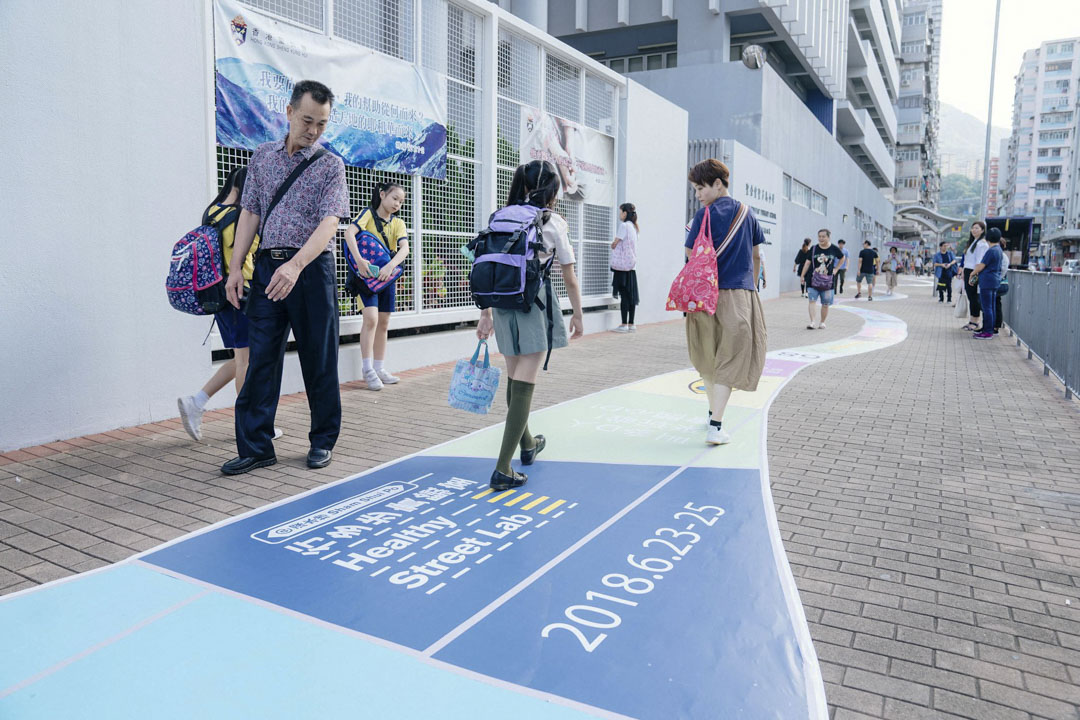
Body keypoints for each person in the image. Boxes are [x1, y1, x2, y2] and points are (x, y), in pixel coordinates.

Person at [221, 80, 350, 475]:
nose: (313, 130)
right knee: (260, 358)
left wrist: (296, 266)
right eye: (308, 120)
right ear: (290, 112)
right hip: (265, 269)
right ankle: (256, 446)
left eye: (322, 124)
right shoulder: (261, 157)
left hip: (310, 270)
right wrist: (234, 268)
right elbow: (250, 213)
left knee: (319, 359)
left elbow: (331, 221)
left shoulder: (330, 165)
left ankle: (322, 440)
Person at [477, 160, 584, 490]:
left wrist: (485, 313)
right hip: (535, 303)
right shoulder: (552, 222)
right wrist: (578, 314)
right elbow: (568, 273)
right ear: (551, 189)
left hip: (502, 305)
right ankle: (502, 468)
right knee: (524, 382)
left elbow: (486, 263)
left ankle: (527, 445)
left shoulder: (500, 217)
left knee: (515, 379)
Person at [177, 168, 281, 443]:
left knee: (241, 358)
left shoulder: (213, 211)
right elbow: (243, 261)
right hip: (240, 295)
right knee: (247, 361)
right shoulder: (238, 216)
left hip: (220, 296)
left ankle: (196, 402)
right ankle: (249, 425)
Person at [684, 158, 767, 446]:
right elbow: (756, 254)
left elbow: (688, 251)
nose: (698, 195)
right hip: (740, 295)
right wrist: (753, 284)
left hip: (705, 295)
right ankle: (716, 425)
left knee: (708, 355)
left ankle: (711, 416)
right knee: (730, 358)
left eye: (700, 188)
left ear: (718, 184)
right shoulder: (748, 213)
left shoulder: (702, 215)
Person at [344, 181, 409, 390]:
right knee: (370, 319)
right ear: (382, 195)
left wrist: (390, 266)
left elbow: (404, 249)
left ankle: (379, 368)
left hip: (386, 278)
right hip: (365, 279)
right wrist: (359, 262)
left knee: (383, 322)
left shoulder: (398, 223)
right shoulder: (368, 215)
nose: (397, 204)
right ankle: (367, 369)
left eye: (401, 201)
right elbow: (348, 233)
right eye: (394, 198)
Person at [801, 229, 843, 329]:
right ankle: (812, 322)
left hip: (828, 282)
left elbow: (842, 258)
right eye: (819, 236)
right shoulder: (814, 248)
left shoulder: (834, 248)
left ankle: (822, 322)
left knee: (825, 303)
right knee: (812, 301)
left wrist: (836, 269)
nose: (821, 238)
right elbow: (807, 263)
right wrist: (802, 276)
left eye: (823, 236)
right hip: (813, 280)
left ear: (828, 237)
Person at [610, 202, 640, 333]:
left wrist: (613, 244)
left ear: (625, 213)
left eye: (621, 211)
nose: (619, 215)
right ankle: (631, 324)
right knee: (631, 296)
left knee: (624, 296)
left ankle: (623, 324)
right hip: (631, 267)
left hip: (621, 268)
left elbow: (615, 243)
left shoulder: (623, 226)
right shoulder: (634, 227)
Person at [970, 227, 1004, 339]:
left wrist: (972, 273)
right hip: (994, 281)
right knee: (991, 307)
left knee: (987, 307)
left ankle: (987, 331)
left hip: (987, 282)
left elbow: (982, 265)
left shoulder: (991, 251)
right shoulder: (998, 249)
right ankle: (988, 329)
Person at [960, 221, 989, 331]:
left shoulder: (982, 244)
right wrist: (964, 271)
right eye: (973, 228)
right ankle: (972, 320)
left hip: (974, 271)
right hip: (969, 270)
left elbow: (979, 261)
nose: (974, 230)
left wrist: (973, 274)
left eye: (977, 228)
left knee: (974, 297)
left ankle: (975, 321)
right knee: (971, 296)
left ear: (982, 230)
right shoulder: (974, 242)